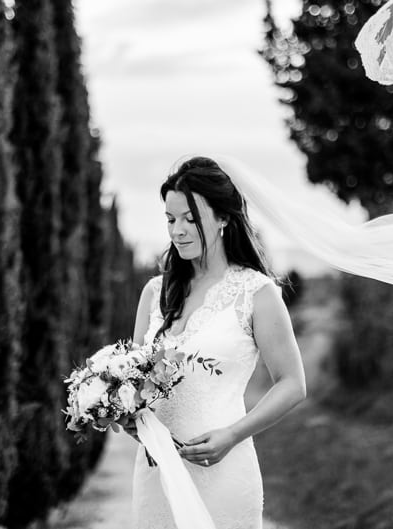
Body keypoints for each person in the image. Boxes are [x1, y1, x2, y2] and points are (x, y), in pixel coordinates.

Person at [124, 156, 307, 529]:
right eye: (171, 219)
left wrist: (232, 435)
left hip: (224, 474)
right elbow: (132, 382)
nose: (178, 230)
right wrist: (127, 414)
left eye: (191, 219)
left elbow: (292, 384)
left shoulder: (257, 293)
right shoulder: (154, 292)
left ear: (224, 218)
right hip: (155, 474)